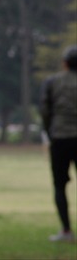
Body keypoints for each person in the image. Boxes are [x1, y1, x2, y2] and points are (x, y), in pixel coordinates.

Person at [39, 45, 77, 244]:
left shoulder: (52, 82)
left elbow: (45, 110)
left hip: (60, 138)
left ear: (64, 63)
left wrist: (49, 132)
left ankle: (66, 230)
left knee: (60, 186)